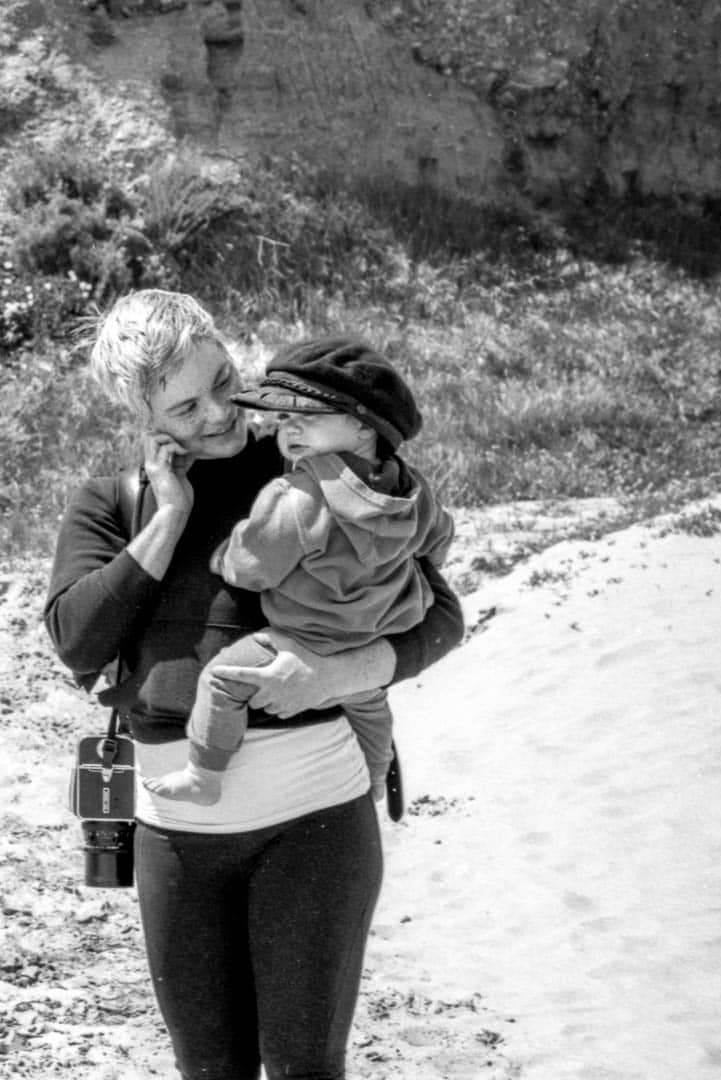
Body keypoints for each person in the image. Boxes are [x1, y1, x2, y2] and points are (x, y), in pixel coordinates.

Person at [43, 290, 463, 1080]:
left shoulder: (314, 465)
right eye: (186, 405)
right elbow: (77, 642)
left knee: (305, 1070)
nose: (218, 413)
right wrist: (168, 520)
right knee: (211, 1072)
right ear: (142, 414)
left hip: (315, 817)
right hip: (175, 833)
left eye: (222, 380)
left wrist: (342, 672)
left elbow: (441, 617)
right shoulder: (115, 504)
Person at [144, 336, 455, 807]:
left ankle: (204, 774)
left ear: (364, 426)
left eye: (306, 418)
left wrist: (223, 556)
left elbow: (253, 566)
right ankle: (370, 787)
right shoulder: (412, 490)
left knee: (222, 679)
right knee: (370, 709)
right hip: (376, 635)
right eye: (284, 418)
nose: (290, 431)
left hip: (306, 636)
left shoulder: (295, 496)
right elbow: (437, 541)